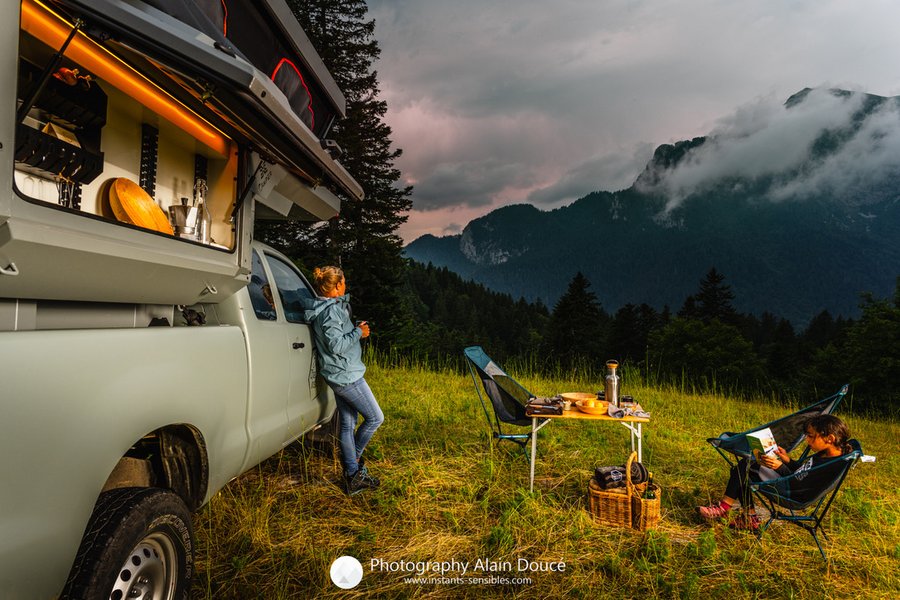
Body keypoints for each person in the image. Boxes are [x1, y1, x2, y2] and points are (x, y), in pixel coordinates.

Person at [301, 265, 384, 496]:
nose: (346, 285)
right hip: (346, 375)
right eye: (344, 282)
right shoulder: (329, 312)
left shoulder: (328, 307)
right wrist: (359, 333)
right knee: (376, 418)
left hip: (339, 373)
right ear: (337, 286)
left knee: (348, 423)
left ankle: (352, 477)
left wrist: (354, 328)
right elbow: (336, 345)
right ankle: (353, 467)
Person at [698, 414, 852, 530]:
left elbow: (798, 483)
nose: (807, 440)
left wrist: (779, 467)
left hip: (792, 493)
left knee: (746, 465)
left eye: (811, 436)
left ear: (830, 438)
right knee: (744, 468)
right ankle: (748, 517)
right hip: (790, 483)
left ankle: (725, 508)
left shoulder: (829, 465)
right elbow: (802, 471)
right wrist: (787, 460)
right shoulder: (825, 453)